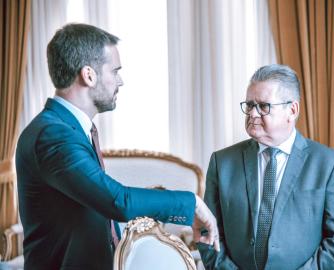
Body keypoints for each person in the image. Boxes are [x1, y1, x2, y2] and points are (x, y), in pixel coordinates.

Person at [16, 23, 219, 270]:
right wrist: (192, 203)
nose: (120, 81)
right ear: (88, 75)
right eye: (115, 71)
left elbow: (95, 206)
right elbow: (117, 201)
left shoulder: (67, 127)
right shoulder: (53, 135)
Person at [197, 64, 334, 270]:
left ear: (292, 110)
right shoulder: (223, 162)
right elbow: (207, 232)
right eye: (249, 105)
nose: (253, 114)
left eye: (263, 106)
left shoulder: (330, 165)